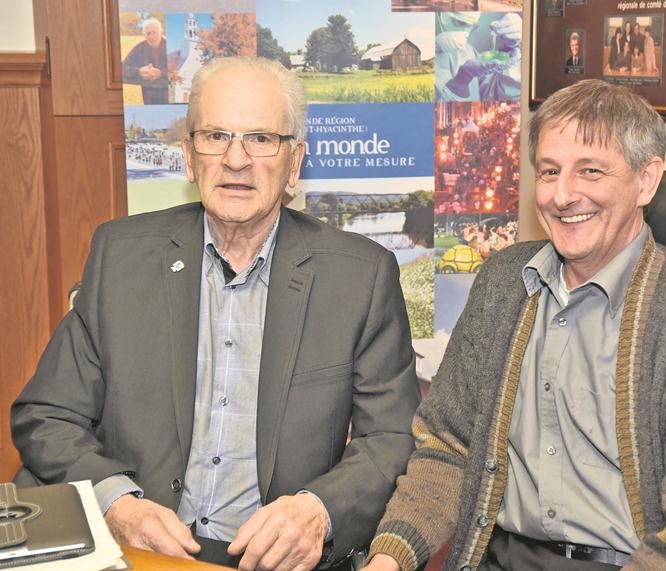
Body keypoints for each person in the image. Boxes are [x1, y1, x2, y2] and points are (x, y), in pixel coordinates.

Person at [362, 79, 666, 571]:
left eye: (590, 171)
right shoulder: (505, 284)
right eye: (549, 172)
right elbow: (449, 446)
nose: (563, 195)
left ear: (646, 180)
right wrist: (390, 558)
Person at [12, 56, 420, 570]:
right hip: (139, 551)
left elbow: (392, 436)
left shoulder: (360, 276)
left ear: (294, 163)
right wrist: (115, 501)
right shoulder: (121, 256)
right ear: (188, 156)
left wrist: (318, 511)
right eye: (216, 136)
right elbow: (46, 416)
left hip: (277, 561)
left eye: (261, 138)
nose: (236, 159)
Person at [436, 12, 522, 101]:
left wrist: (509, 48)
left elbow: (490, 95)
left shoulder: (467, 51)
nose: (466, 33)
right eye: (458, 22)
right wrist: (463, 78)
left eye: (472, 27)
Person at [121, 18, 168, 104]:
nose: (151, 36)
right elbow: (121, 68)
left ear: (161, 32)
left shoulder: (170, 46)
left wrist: (161, 73)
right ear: (144, 35)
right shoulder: (139, 48)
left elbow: (181, 70)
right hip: (149, 96)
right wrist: (139, 71)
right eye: (148, 33)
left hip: (170, 95)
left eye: (154, 32)